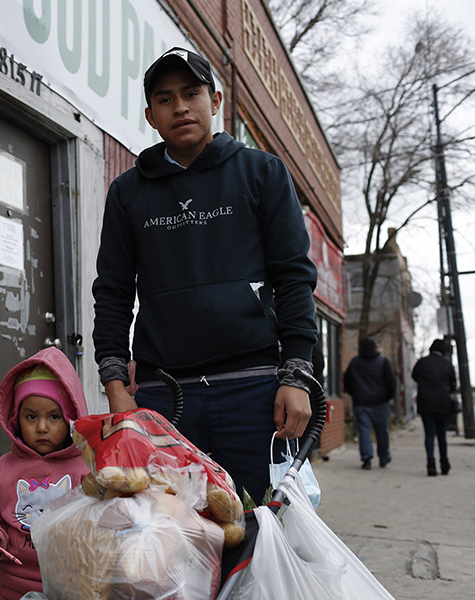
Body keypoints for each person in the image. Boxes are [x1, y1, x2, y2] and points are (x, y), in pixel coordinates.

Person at [92, 47, 318, 503]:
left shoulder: (263, 172)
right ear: (150, 115)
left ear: (214, 101)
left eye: (191, 93)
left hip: (254, 390)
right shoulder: (127, 192)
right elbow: (113, 292)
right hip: (164, 396)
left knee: (263, 534)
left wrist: (296, 376)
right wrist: (116, 388)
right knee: (170, 542)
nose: (179, 107)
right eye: (164, 98)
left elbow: (294, 277)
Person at [0, 347, 90, 600]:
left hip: (72, 585)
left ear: (71, 419)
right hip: (15, 586)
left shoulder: (87, 468)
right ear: (16, 420)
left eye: (55, 416)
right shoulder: (3, 468)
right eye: (31, 416)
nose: (42, 427)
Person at [343, 337, 395, 470]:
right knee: (382, 431)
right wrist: (388, 397)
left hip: (361, 402)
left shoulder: (355, 363)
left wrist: (354, 394)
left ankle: (367, 458)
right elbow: (391, 382)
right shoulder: (383, 362)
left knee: (364, 431)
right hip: (380, 402)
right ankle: (384, 457)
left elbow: (347, 380)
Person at [412, 339, 457, 476]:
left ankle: (430, 463)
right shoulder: (447, 364)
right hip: (443, 403)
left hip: (426, 402)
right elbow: (453, 384)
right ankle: (444, 463)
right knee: (442, 435)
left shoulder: (422, 362)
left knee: (429, 434)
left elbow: (414, 376)